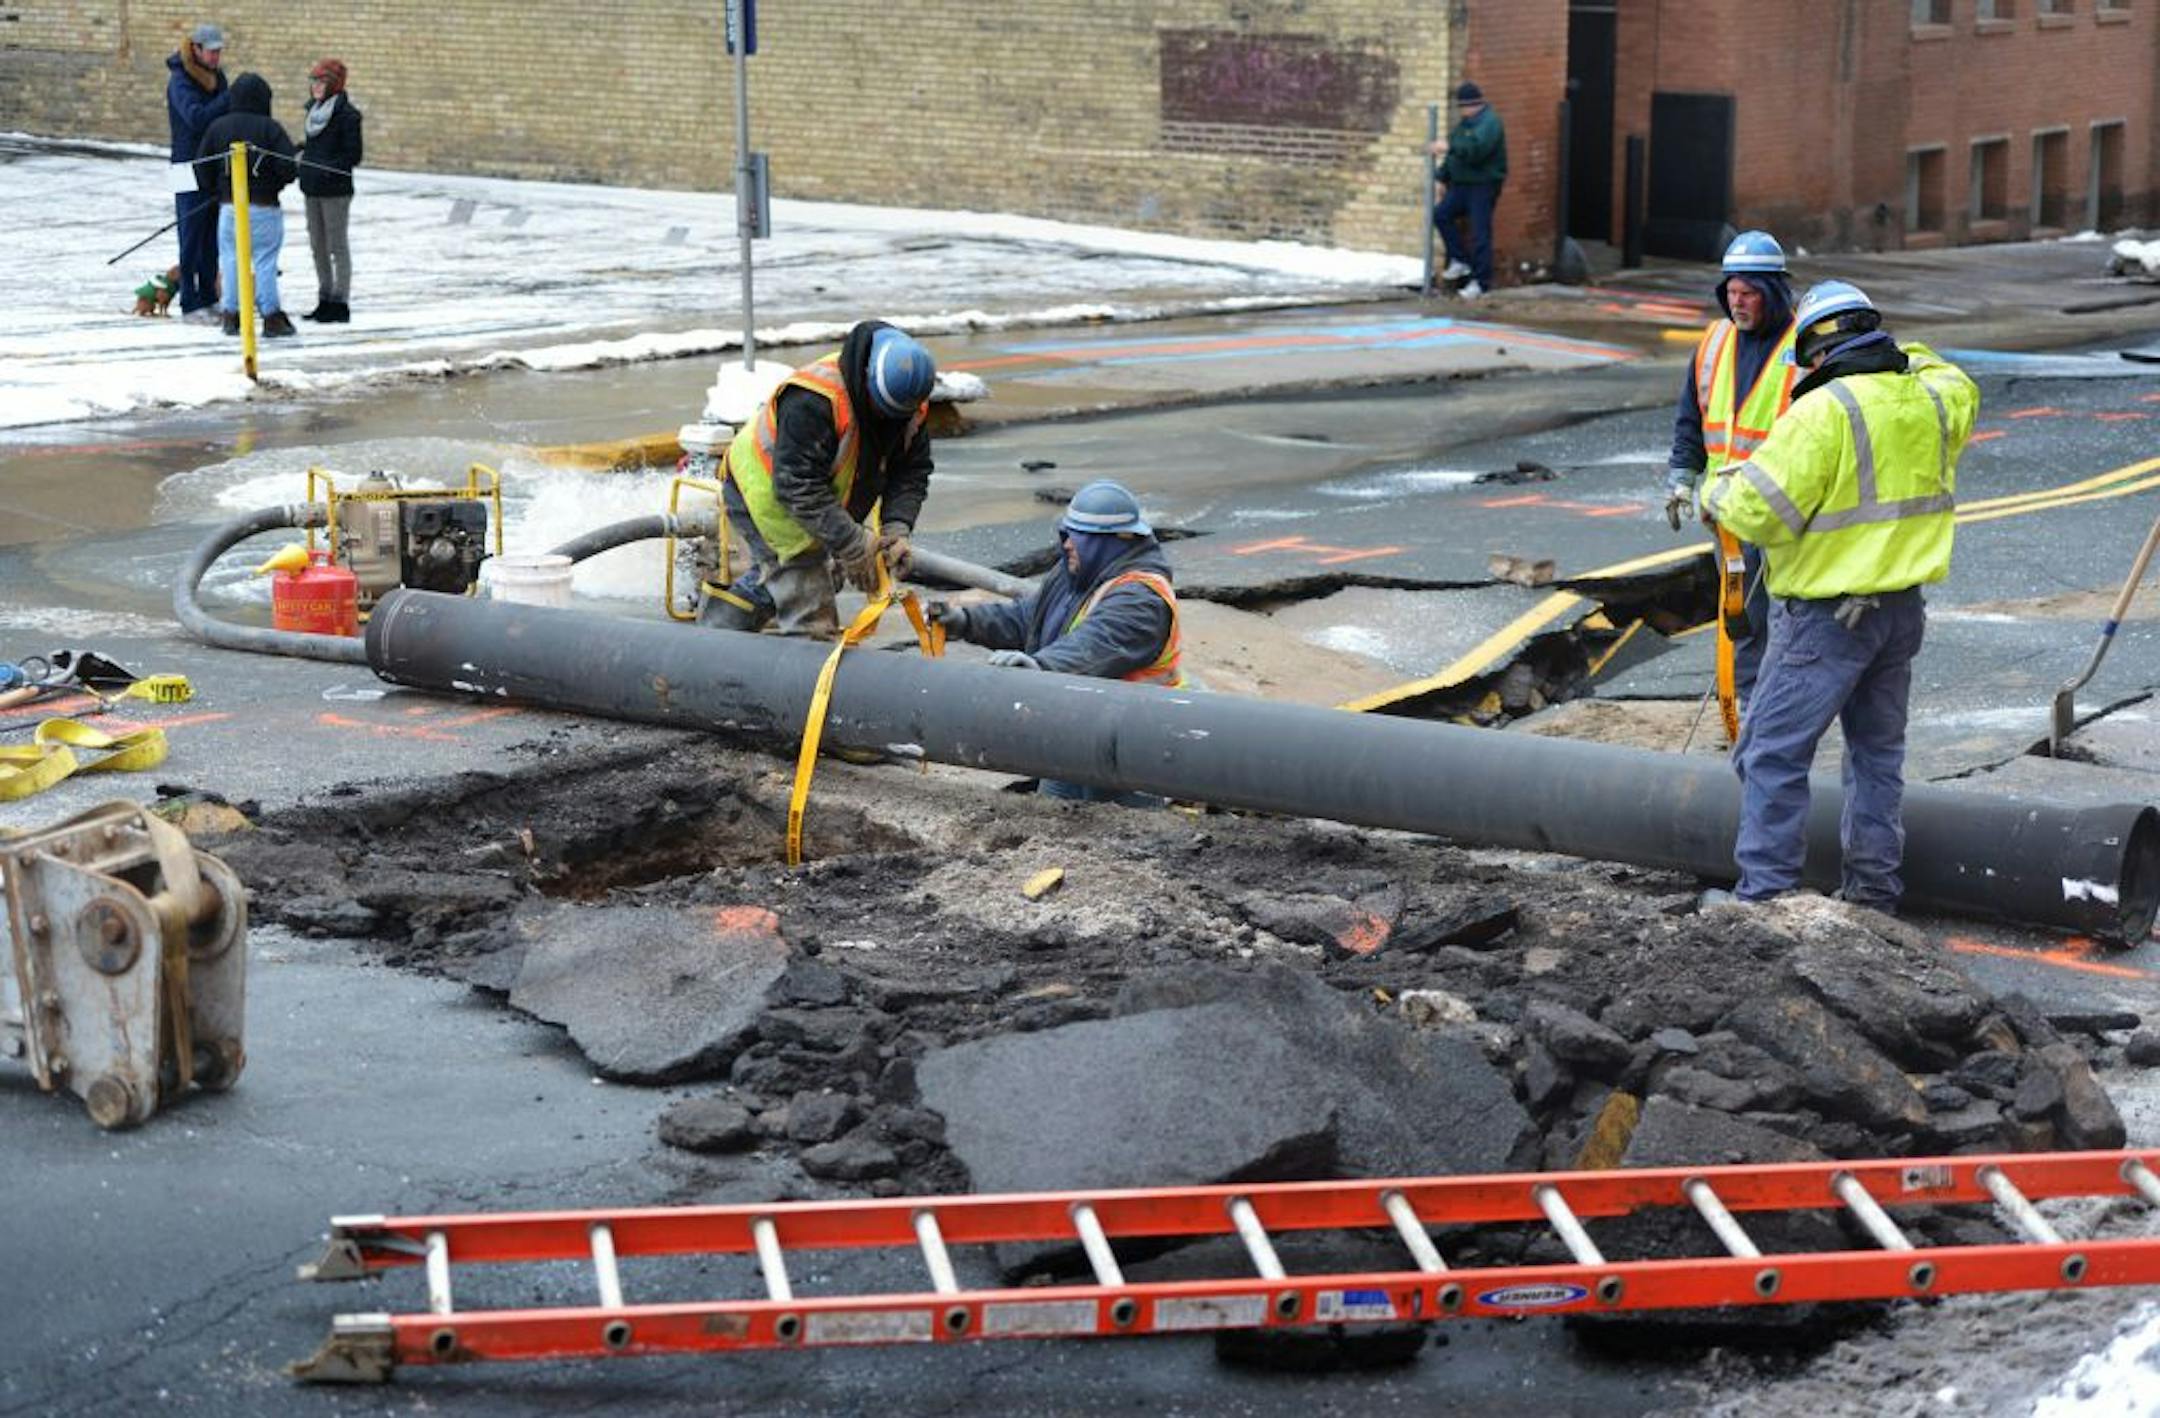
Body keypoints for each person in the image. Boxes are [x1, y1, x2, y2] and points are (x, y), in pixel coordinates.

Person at [1698, 281, 1976, 912]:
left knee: (1770, 756)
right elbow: (1944, 369)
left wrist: (1714, 493)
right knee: (1877, 757)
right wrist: (1897, 350)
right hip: (1900, 612)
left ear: (1817, 352)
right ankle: (1874, 894)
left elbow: (1758, 515)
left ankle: (1763, 897)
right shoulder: (1935, 396)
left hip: (1828, 620)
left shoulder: (1821, 413)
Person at [928, 479, 1186, 806]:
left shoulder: (1141, 598)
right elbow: (1027, 620)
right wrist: (965, 622)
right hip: (1073, 736)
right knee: (1052, 824)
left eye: (1076, 536)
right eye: (1066, 533)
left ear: (1110, 542)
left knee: (1119, 842)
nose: (1065, 544)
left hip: (1130, 749)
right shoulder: (1076, 576)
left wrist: (1041, 666)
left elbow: (1095, 646)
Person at [701, 321, 936, 638]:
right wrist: (853, 544)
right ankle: (794, 670)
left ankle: (714, 633)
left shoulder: (909, 404)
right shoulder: (814, 399)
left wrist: (897, 527)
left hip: (818, 497)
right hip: (768, 493)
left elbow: (910, 470)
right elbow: (798, 485)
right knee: (808, 596)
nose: (889, 423)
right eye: (882, 413)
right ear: (865, 381)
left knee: (803, 575)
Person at [1664, 231, 1800, 714]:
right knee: (1741, 615)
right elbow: (1691, 418)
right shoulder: (1716, 340)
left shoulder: (1804, 344)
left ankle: (1779, 706)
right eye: (1731, 293)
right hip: (1730, 513)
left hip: (1787, 511)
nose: (1737, 304)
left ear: (1774, 293)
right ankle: (1746, 706)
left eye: (1749, 294)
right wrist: (1682, 475)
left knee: (1788, 616)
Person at [197, 73, 299, 339]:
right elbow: (288, 168)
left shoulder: (218, 127)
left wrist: (216, 189)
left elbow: (203, 167)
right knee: (265, 260)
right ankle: (271, 315)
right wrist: (274, 183)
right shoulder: (270, 128)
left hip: (229, 207)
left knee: (230, 259)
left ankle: (231, 314)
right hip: (265, 207)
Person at [166, 22, 230, 324]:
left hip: (212, 165)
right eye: (212, 52)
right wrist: (225, 102)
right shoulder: (180, 81)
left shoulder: (218, 80)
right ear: (196, 50)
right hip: (184, 165)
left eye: (219, 52)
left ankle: (209, 295)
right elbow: (195, 118)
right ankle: (189, 302)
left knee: (211, 235)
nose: (216, 58)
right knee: (190, 233)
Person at [1427, 81, 1506, 299]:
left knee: (1480, 232)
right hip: (1462, 184)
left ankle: (1481, 282)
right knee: (1441, 214)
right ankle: (1460, 259)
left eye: (1463, 107)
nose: (1462, 111)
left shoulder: (1490, 123)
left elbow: (1476, 151)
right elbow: (1454, 156)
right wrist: (1442, 178)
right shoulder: (1464, 125)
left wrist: (1449, 147)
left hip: (1482, 185)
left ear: (1473, 105)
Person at [298, 57, 362, 324]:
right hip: (312, 188)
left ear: (334, 84)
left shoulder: (347, 116)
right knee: (318, 245)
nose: (315, 86)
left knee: (337, 245)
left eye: (321, 81)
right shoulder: (313, 112)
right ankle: (324, 297)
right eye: (313, 80)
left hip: (335, 190)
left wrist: (324, 166)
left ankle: (340, 301)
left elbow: (353, 155)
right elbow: (313, 146)